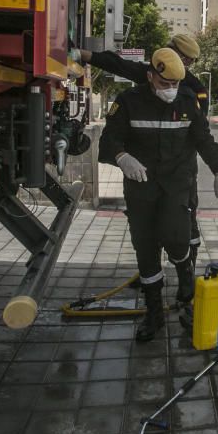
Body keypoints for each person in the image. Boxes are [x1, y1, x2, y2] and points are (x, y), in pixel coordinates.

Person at [98, 48, 218, 341]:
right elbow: (110, 138)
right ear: (150, 76)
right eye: (164, 84)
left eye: (175, 84)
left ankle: (186, 288)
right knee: (145, 249)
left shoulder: (186, 100)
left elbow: (202, 138)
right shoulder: (128, 102)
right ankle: (154, 312)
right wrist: (121, 156)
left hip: (175, 184)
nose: (171, 90)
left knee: (176, 237)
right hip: (141, 186)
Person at [82, 34, 209, 268]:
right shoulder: (151, 74)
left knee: (184, 219)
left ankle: (186, 271)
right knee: (147, 223)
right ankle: (151, 268)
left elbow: (199, 132)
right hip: (147, 168)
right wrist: (82, 54)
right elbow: (119, 64)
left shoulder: (193, 89)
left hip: (180, 168)